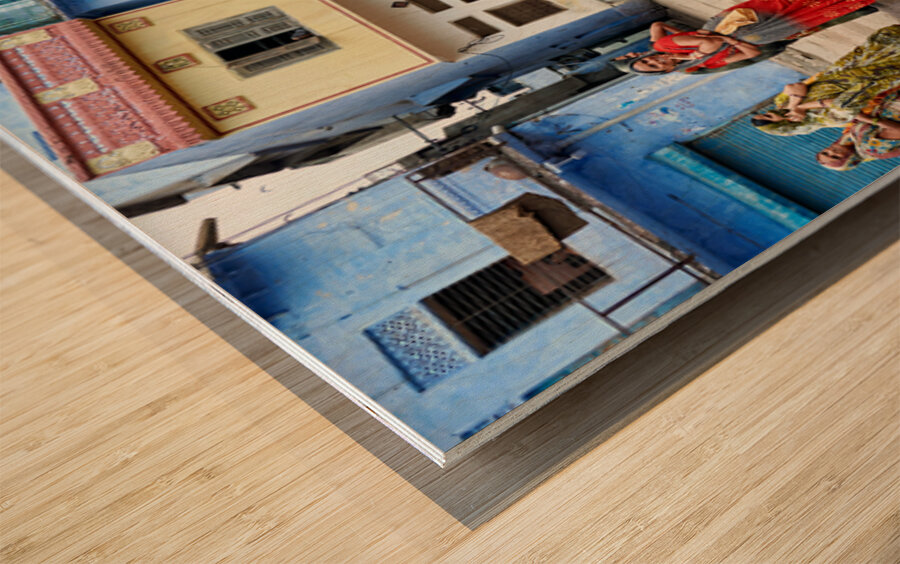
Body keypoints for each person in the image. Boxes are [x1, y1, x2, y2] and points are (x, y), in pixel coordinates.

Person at [613, 0, 878, 75]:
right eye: (653, 68)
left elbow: (712, 43)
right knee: (813, 15)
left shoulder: (663, 45)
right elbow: (752, 55)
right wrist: (734, 45)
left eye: (648, 62)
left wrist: (714, 43)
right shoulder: (698, 65)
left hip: (739, 22)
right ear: (664, 71)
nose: (656, 63)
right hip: (759, 37)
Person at [753, 25, 900, 136]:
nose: (771, 111)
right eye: (769, 116)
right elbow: (841, 103)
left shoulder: (781, 104)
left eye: (765, 113)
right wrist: (803, 107)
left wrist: (794, 105)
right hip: (871, 79)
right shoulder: (826, 120)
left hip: (843, 69)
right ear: (783, 124)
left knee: (883, 40)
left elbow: (795, 86)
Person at [817, 85, 900, 170]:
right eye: (835, 157)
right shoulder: (871, 149)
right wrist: (866, 119)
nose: (832, 151)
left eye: (825, 153)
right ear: (849, 159)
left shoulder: (854, 140)